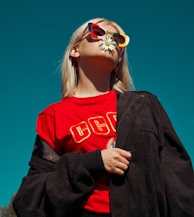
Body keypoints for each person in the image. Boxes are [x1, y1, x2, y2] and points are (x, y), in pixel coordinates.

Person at [13, 17, 194, 217]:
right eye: (98, 32)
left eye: (118, 39)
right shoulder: (53, 115)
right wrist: (92, 162)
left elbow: (178, 178)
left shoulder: (143, 105)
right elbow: (31, 196)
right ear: (75, 50)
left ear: (118, 62)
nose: (109, 40)